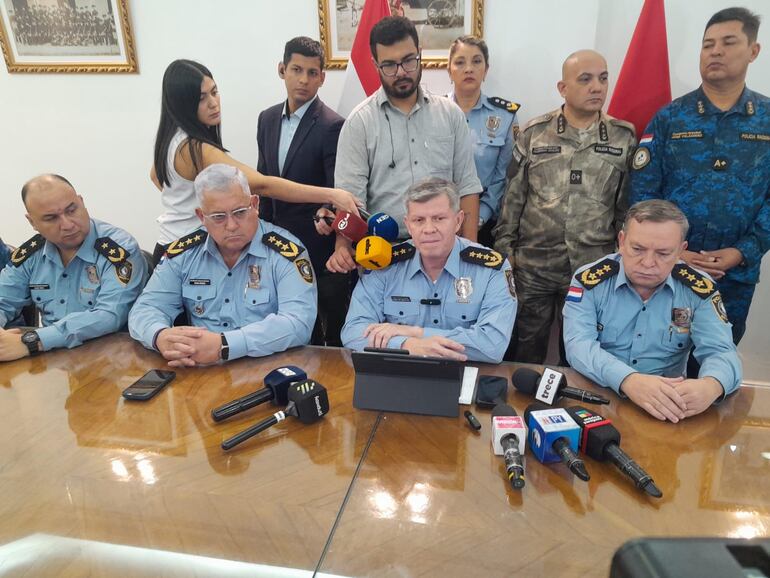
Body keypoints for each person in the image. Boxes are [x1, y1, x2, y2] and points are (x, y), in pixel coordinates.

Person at [630, 7, 769, 344]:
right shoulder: (670, 118)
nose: (715, 51)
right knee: (656, 360)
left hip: (734, 274)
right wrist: (673, 251)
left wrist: (744, 250)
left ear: (753, 51)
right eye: (708, 45)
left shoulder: (766, 119)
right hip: (667, 270)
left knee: (715, 366)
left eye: (728, 42)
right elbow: (643, 195)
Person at [494, 49, 636, 363]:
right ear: (563, 88)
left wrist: (621, 259)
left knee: (583, 353)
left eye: (602, 78)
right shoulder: (535, 133)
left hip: (592, 266)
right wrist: (507, 253)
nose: (597, 87)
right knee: (523, 349)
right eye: (585, 79)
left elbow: (624, 208)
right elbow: (513, 198)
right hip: (534, 266)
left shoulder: (623, 137)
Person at [150, 59, 360, 265]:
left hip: (170, 244)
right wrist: (331, 194)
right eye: (201, 98)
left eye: (214, 92)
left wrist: (186, 202)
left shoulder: (171, 138)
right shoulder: (197, 149)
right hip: (185, 254)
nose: (213, 103)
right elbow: (262, 184)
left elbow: (155, 176)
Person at [327, 16, 482, 274]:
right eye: (389, 65)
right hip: (383, 255)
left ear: (420, 55)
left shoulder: (450, 114)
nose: (401, 72)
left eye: (409, 61)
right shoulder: (359, 122)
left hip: (447, 252)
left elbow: (467, 186)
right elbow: (350, 200)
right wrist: (342, 247)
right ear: (375, 64)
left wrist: (470, 252)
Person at [563, 200, 742, 422]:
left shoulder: (697, 289)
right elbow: (577, 345)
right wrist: (628, 380)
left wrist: (711, 385)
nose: (648, 262)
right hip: (597, 397)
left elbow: (721, 350)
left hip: (666, 408)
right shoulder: (591, 281)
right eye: (637, 249)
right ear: (621, 241)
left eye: (663, 253)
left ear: (680, 251)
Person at [129, 164, 317, 367]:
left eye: (240, 212)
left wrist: (225, 345)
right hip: (201, 371)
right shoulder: (185, 253)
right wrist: (160, 336)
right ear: (201, 217)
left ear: (255, 204)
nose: (232, 225)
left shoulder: (286, 253)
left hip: (268, 367)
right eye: (219, 217)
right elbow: (146, 307)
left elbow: (298, 323)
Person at [341, 178, 516, 364]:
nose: (429, 229)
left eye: (439, 219)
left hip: (464, 376)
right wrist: (406, 345)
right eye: (419, 220)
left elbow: (493, 345)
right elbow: (352, 331)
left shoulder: (490, 269)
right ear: (408, 225)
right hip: (399, 374)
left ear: (458, 221)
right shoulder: (386, 264)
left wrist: (417, 334)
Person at [257, 36, 349, 347]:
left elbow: (335, 192)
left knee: (328, 334)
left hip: (317, 245)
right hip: (273, 244)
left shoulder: (332, 125)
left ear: (323, 77)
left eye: (312, 73)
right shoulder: (266, 119)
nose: (304, 80)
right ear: (282, 70)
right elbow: (263, 181)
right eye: (297, 69)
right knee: (289, 331)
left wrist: (329, 223)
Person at [0, 174, 147, 361]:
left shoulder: (118, 249)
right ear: (32, 222)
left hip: (111, 359)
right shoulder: (30, 254)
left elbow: (110, 315)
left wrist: (33, 340)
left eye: (71, 210)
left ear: (81, 202)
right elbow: (3, 300)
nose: (67, 224)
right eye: (51, 218)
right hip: (51, 359)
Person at [447, 35, 519, 249]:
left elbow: (505, 176)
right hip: (437, 219)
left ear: (486, 70)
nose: (468, 68)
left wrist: (479, 217)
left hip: (485, 221)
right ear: (449, 70)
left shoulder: (505, 116)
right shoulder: (433, 112)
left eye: (477, 61)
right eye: (460, 62)